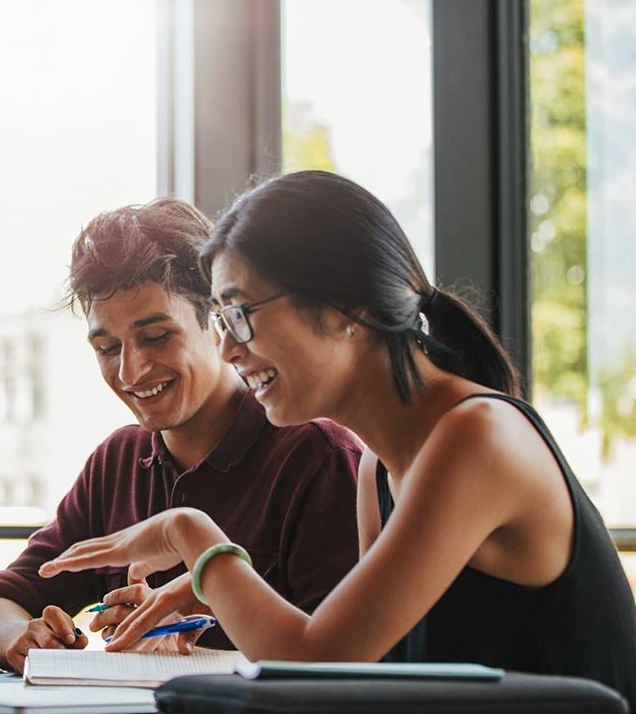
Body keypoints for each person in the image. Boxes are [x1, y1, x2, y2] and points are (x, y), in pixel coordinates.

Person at [40, 171, 636, 701]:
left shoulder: (475, 438)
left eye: (240, 313)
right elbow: (364, 675)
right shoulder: (378, 467)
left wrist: (189, 535)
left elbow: (318, 662)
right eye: (221, 320)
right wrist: (214, 596)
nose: (226, 347)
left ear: (346, 307)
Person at [0, 198, 363, 672]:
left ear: (217, 322)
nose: (130, 370)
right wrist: (19, 636)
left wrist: (197, 622)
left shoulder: (316, 457)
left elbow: (340, 663)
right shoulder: (118, 462)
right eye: (108, 348)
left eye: (156, 337)